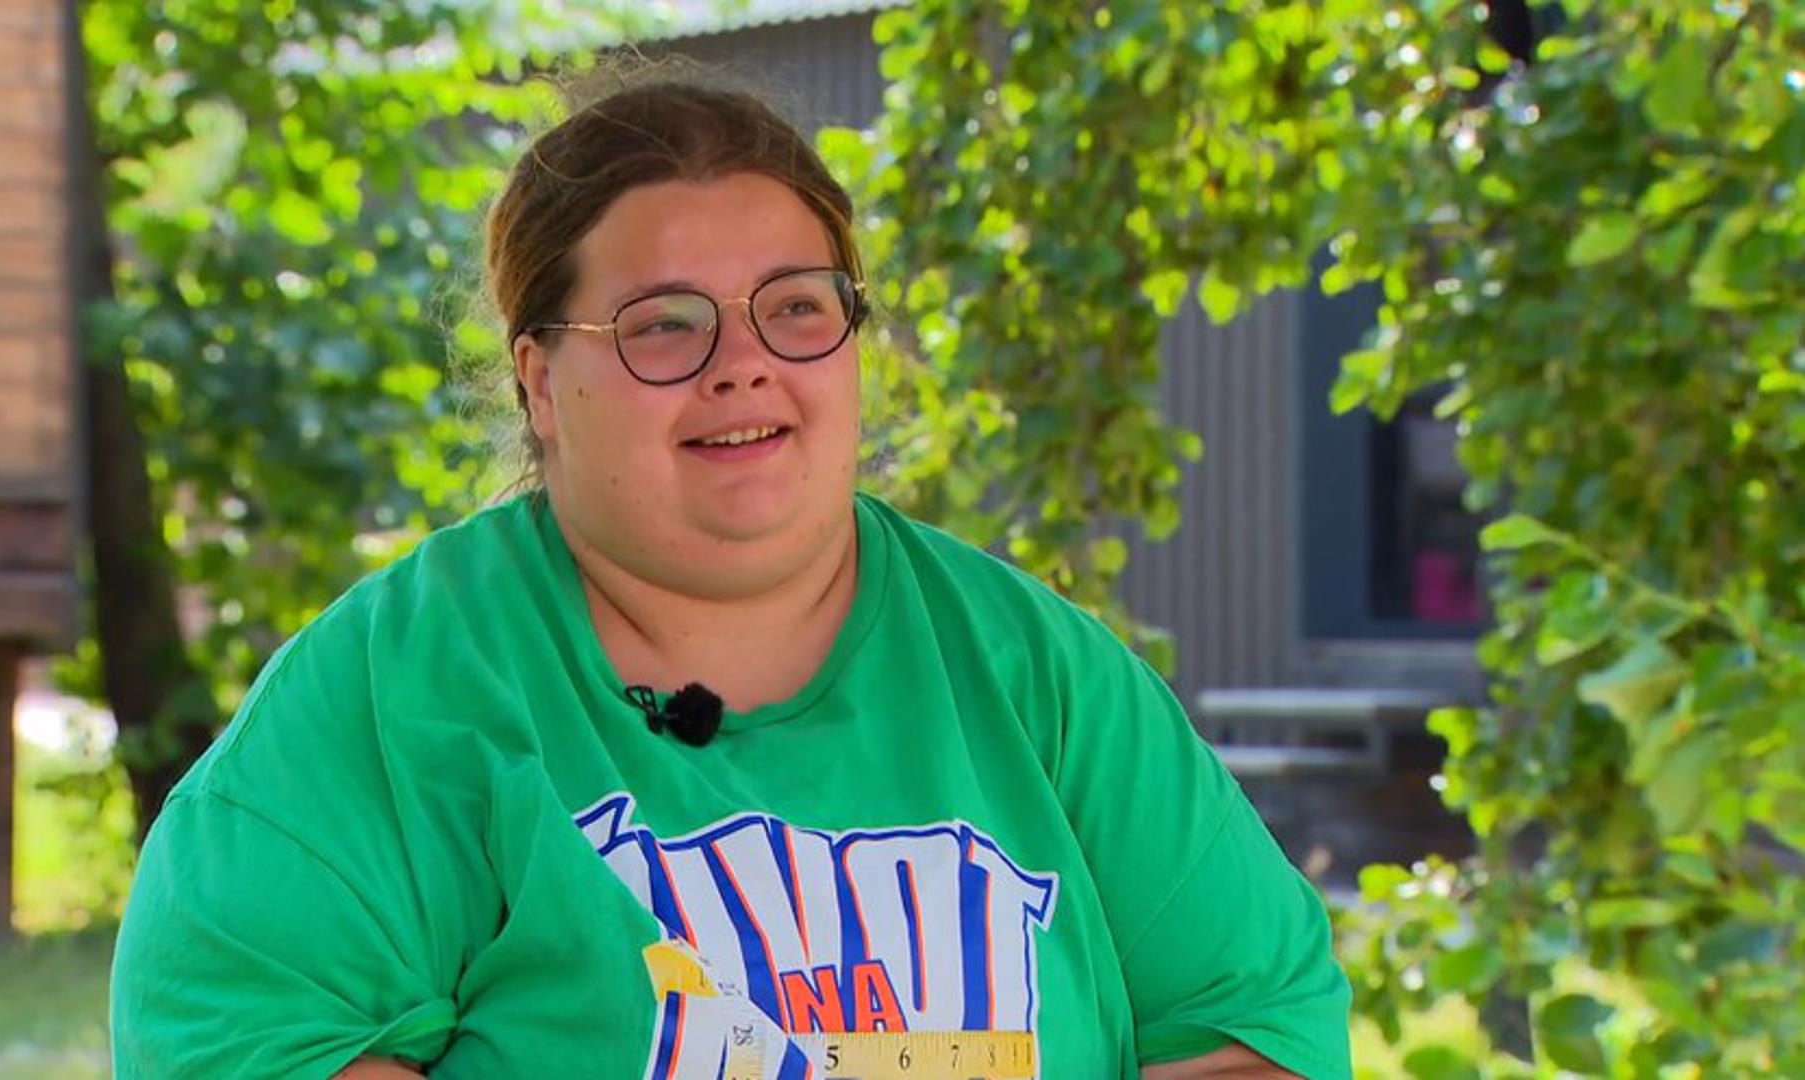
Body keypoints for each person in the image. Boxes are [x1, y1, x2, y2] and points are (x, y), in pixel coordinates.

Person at [110, 73, 1353, 1080]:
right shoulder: (399, 695)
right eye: (664, 323)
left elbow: (1250, 1030)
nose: (742, 364)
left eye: (795, 308)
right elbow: (243, 1037)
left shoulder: (1036, 677)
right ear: (541, 382)